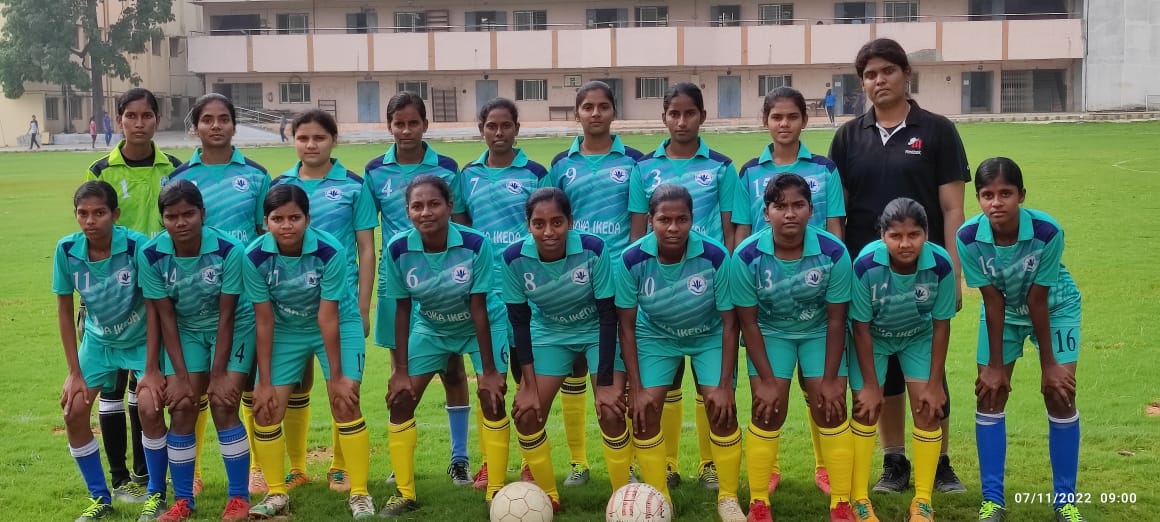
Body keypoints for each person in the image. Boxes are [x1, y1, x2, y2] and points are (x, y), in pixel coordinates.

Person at [829, 37, 970, 495]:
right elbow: (837, 212)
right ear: (862, 83)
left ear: (906, 74)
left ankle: (940, 461)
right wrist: (840, 273)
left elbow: (952, 207)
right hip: (867, 278)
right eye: (869, 74)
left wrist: (955, 271)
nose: (879, 80)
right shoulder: (848, 136)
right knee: (881, 369)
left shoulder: (938, 130)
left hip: (923, 273)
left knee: (929, 366)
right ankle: (894, 461)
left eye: (887, 71)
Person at [958, 158, 1085, 522]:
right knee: (990, 392)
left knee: (1060, 393)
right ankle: (992, 502)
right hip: (1003, 310)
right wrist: (995, 366)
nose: (996, 202)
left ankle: (1066, 502)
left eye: (1006, 193)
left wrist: (1050, 366)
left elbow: (1038, 299)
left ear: (1021, 195)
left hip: (1055, 306)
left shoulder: (1047, 231)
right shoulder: (967, 237)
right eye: (987, 195)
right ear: (978, 198)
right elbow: (992, 301)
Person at [734, 86, 846, 497]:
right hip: (766, 289)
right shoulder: (749, 171)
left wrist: (833, 270)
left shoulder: (825, 169)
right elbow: (741, 230)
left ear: (804, 120)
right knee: (770, 393)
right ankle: (771, 468)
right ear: (766, 121)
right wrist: (738, 275)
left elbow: (835, 226)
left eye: (792, 116)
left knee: (820, 390)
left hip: (815, 281)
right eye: (776, 117)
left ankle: (825, 466)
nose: (784, 124)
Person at [630, 81, 741, 492]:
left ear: (702, 117)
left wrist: (726, 277)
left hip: (708, 284)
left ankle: (711, 464)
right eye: (674, 114)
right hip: (661, 287)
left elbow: (731, 229)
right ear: (663, 117)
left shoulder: (722, 167)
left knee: (711, 387)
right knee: (668, 381)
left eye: (689, 113)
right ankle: (668, 464)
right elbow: (637, 232)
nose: (681, 121)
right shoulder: (644, 168)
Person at [362, 91, 475, 488]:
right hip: (399, 282)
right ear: (389, 126)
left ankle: (459, 459)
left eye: (413, 123)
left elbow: (461, 223)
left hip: (445, 281)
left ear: (425, 124)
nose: (406, 130)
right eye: (399, 123)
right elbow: (367, 229)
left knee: (453, 368)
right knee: (401, 373)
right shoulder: (375, 171)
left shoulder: (446, 167)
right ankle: (402, 459)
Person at [242, 184, 374, 519]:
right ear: (266, 222)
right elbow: (264, 320)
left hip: (338, 323)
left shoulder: (329, 251)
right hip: (286, 329)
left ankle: (360, 493)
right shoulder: (254, 257)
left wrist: (338, 376)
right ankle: (276, 494)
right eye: (277, 218)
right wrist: (264, 381)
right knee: (266, 408)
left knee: (345, 400)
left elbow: (327, 317)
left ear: (308, 219)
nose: (286, 225)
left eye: (294, 218)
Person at [731, 174, 856, 522]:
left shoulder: (834, 252)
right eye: (780, 206)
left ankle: (841, 503)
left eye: (798, 205)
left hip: (819, 332)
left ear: (811, 210)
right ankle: (759, 502)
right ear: (766, 212)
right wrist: (768, 381)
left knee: (831, 407)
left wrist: (830, 380)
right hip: (770, 333)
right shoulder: (746, 256)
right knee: (767, 409)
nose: (789, 213)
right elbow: (748, 323)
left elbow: (836, 320)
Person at [379, 175, 507, 515]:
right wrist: (400, 371)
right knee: (401, 399)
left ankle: (495, 490)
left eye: (434, 204)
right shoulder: (398, 249)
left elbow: (479, 307)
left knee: (492, 397)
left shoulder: (475, 244)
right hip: (432, 326)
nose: (426, 212)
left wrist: (489, 371)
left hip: (480, 324)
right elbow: (402, 308)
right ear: (407, 211)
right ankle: (404, 493)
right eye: (417, 206)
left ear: (450, 207)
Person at [616, 183, 744, 522]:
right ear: (650, 220)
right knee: (644, 412)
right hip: (656, 336)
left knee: (721, 409)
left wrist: (724, 385)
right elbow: (626, 326)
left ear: (692, 219)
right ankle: (660, 499)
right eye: (664, 219)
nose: (673, 228)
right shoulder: (631, 259)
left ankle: (728, 498)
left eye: (682, 219)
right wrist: (636, 388)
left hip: (708, 335)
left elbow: (730, 323)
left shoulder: (715, 256)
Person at [165, 92, 271, 494]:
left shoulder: (257, 174)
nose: (216, 126)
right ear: (195, 126)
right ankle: (191, 473)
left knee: (241, 387)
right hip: (194, 299)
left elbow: (265, 233)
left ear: (234, 124)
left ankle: (256, 470)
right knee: (193, 393)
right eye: (207, 119)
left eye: (223, 118)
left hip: (242, 296)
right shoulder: (180, 177)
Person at [84, 87, 184, 504]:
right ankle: (120, 475)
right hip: (113, 290)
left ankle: (146, 472)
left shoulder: (174, 168)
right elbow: (91, 224)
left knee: (145, 382)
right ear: (119, 119)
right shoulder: (101, 168)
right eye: (131, 115)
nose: (139, 123)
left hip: (158, 285)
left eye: (147, 115)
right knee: (110, 386)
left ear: (157, 119)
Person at [270, 109, 377, 494]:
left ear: (334, 140)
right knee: (296, 385)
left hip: (339, 302)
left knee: (342, 385)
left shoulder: (353, 185)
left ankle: (340, 467)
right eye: (303, 138)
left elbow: (367, 249)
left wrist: (363, 308)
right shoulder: (280, 185)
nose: (311, 145)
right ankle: (297, 468)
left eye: (319, 138)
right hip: (291, 309)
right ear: (293, 141)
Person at [136, 181, 255, 521]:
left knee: (223, 402)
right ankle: (184, 500)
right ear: (163, 219)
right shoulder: (151, 254)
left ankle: (239, 497)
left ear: (203, 214)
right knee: (183, 405)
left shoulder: (229, 249)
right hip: (186, 328)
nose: (181, 222)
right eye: (172, 216)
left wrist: (218, 375)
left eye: (188, 214)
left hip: (233, 324)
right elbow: (166, 316)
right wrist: (181, 377)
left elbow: (227, 314)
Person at [54, 181, 170, 522]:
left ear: (115, 214)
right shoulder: (67, 249)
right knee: (73, 410)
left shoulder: (137, 246)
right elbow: (64, 311)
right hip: (99, 342)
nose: (90, 221)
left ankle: (156, 495)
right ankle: (99, 498)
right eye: (83, 213)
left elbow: (154, 305)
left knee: (149, 408)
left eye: (99, 213)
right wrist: (74, 373)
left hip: (140, 340)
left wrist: (152, 368)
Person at [547, 80, 644, 486]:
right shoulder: (561, 164)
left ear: (613, 112)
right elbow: (552, 220)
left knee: (618, 368)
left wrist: (634, 268)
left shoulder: (634, 161)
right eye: (588, 107)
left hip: (618, 275)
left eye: (603, 106)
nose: (596, 113)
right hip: (573, 277)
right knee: (573, 366)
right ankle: (578, 462)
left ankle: (631, 463)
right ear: (577, 113)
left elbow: (638, 221)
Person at [504, 188, 625, 509]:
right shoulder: (513, 258)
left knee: (611, 410)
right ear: (528, 225)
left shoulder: (593, 249)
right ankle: (548, 497)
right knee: (526, 415)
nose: (548, 232)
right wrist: (529, 386)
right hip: (550, 333)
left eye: (557, 222)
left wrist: (605, 384)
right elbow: (519, 321)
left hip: (596, 331)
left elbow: (608, 315)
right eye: (539, 224)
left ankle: (623, 497)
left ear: (570, 222)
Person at [457, 97, 549, 485]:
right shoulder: (468, 175)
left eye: (506, 125)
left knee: (528, 378)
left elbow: (546, 226)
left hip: (526, 288)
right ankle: (489, 462)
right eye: (491, 126)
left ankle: (530, 461)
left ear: (516, 129)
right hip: (483, 292)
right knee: (489, 380)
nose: (499, 133)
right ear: (481, 129)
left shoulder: (535, 173)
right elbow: (461, 233)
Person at [848, 198, 957, 522]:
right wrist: (871, 386)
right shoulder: (865, 265)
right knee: (865, 409)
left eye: (913, 235)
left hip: (917, 337)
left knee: (928, 408)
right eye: (896, 236)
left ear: (926, 234)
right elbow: (861, 327)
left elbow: (941, 325)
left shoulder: (941, 265)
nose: (905, 244)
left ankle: (922, 501)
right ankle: (859, 499)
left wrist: (935, 384)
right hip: (874, 338)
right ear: (882, 235)